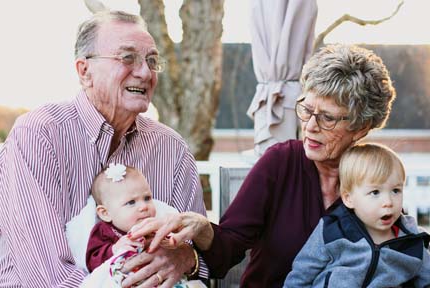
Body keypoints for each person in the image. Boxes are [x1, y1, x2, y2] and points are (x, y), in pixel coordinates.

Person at [127, 44, 398, 287]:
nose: (310, 126)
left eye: (327, 118)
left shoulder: (378, 176)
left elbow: (397, 256)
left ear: (361, 127)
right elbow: (227, 250)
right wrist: (203, 228)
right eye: (306, 109)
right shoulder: (280, 163)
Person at [0, 10, 207, 288]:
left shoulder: (171, 148)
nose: (145, 72)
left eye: (152, 61)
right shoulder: (39, 134)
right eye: (127, 57)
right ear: (85, 72)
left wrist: (187, 257)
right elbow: (45, 275)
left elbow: (201, 253)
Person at [284, 143, 430, 287]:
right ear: (349, 199)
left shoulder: (413, 241)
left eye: (396, 190)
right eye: (375, 192)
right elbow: (300, 275)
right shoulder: (333, 231)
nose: (388, 202)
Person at [83, 163, 205, 287]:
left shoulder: (157, 226)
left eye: (147, 198)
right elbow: (92, 262)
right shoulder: (104, 230)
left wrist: (169, 244)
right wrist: (114, 249)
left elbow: (173, 251)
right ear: (105, 213)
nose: (144, 207)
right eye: (131, 202)